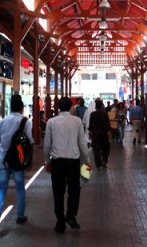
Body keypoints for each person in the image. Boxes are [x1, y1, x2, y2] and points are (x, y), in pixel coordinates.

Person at [44, 97, 91, 233]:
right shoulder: (76, 121)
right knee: (74, 190)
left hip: (57, 161)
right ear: (71, 106)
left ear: (58, 107)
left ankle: (60, 221)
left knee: (58, 192)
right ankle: (71, 216)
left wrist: (47, 161)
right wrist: (87, 160)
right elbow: (82, 143)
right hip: (73, 161)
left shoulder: (51, 122)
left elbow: (47, 144)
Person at [0, 94, 34, 236]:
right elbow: (30, 142)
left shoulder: (2, 122)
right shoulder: (25, 122)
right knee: (20, 188)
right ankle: (20, 216)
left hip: (3, 161)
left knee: (1, 189)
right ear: (22, 108)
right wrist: (29, 161)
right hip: (18, 162)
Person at [88, 99, 111, 171]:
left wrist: (90, 132)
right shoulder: (105, 113)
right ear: (101, 106)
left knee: (96, 150)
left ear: (95, 106)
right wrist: (109, 132)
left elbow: (90, 125)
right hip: (104, 134)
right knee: (106, 148)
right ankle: (104, 160)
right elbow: (108, 124)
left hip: (95, 134)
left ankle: (98, 165)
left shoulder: (92, 114)